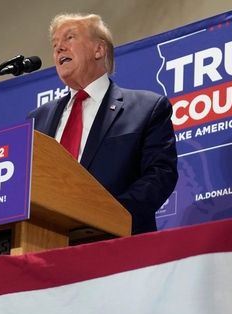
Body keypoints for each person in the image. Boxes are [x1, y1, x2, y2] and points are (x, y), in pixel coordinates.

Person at [28, 13, 178, 234]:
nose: (59, 48)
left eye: (69, 38)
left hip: (116, 243)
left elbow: (160, 175)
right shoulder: (36, 120)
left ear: (99, 50)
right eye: (55, 45)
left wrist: (105, 215)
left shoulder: (147, 108)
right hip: (45, 242)